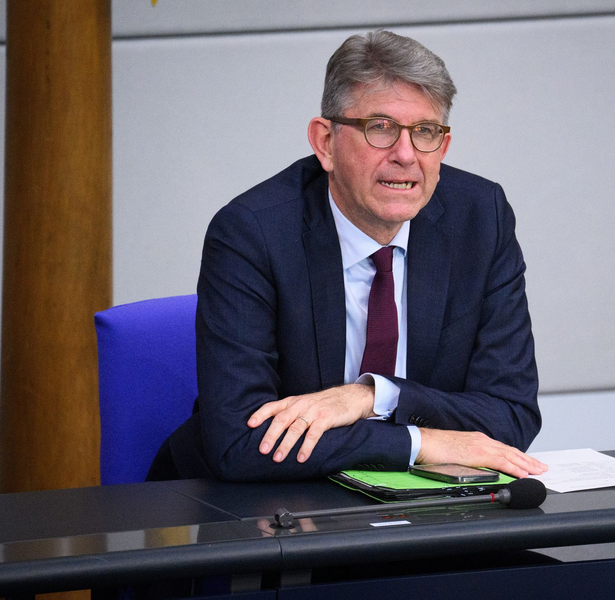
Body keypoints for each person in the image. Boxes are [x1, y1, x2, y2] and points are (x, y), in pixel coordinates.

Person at [148, 30, 546, 482]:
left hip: (412, 509)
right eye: (380, 128)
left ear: (444, 146)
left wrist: (372, 396)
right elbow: (241, 440)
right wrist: (422, 442)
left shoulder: (480, 220)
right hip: (245, 509)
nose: (405, 155)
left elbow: (511, 415)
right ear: (325, 143)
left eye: (425, 132)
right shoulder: (252, 233)